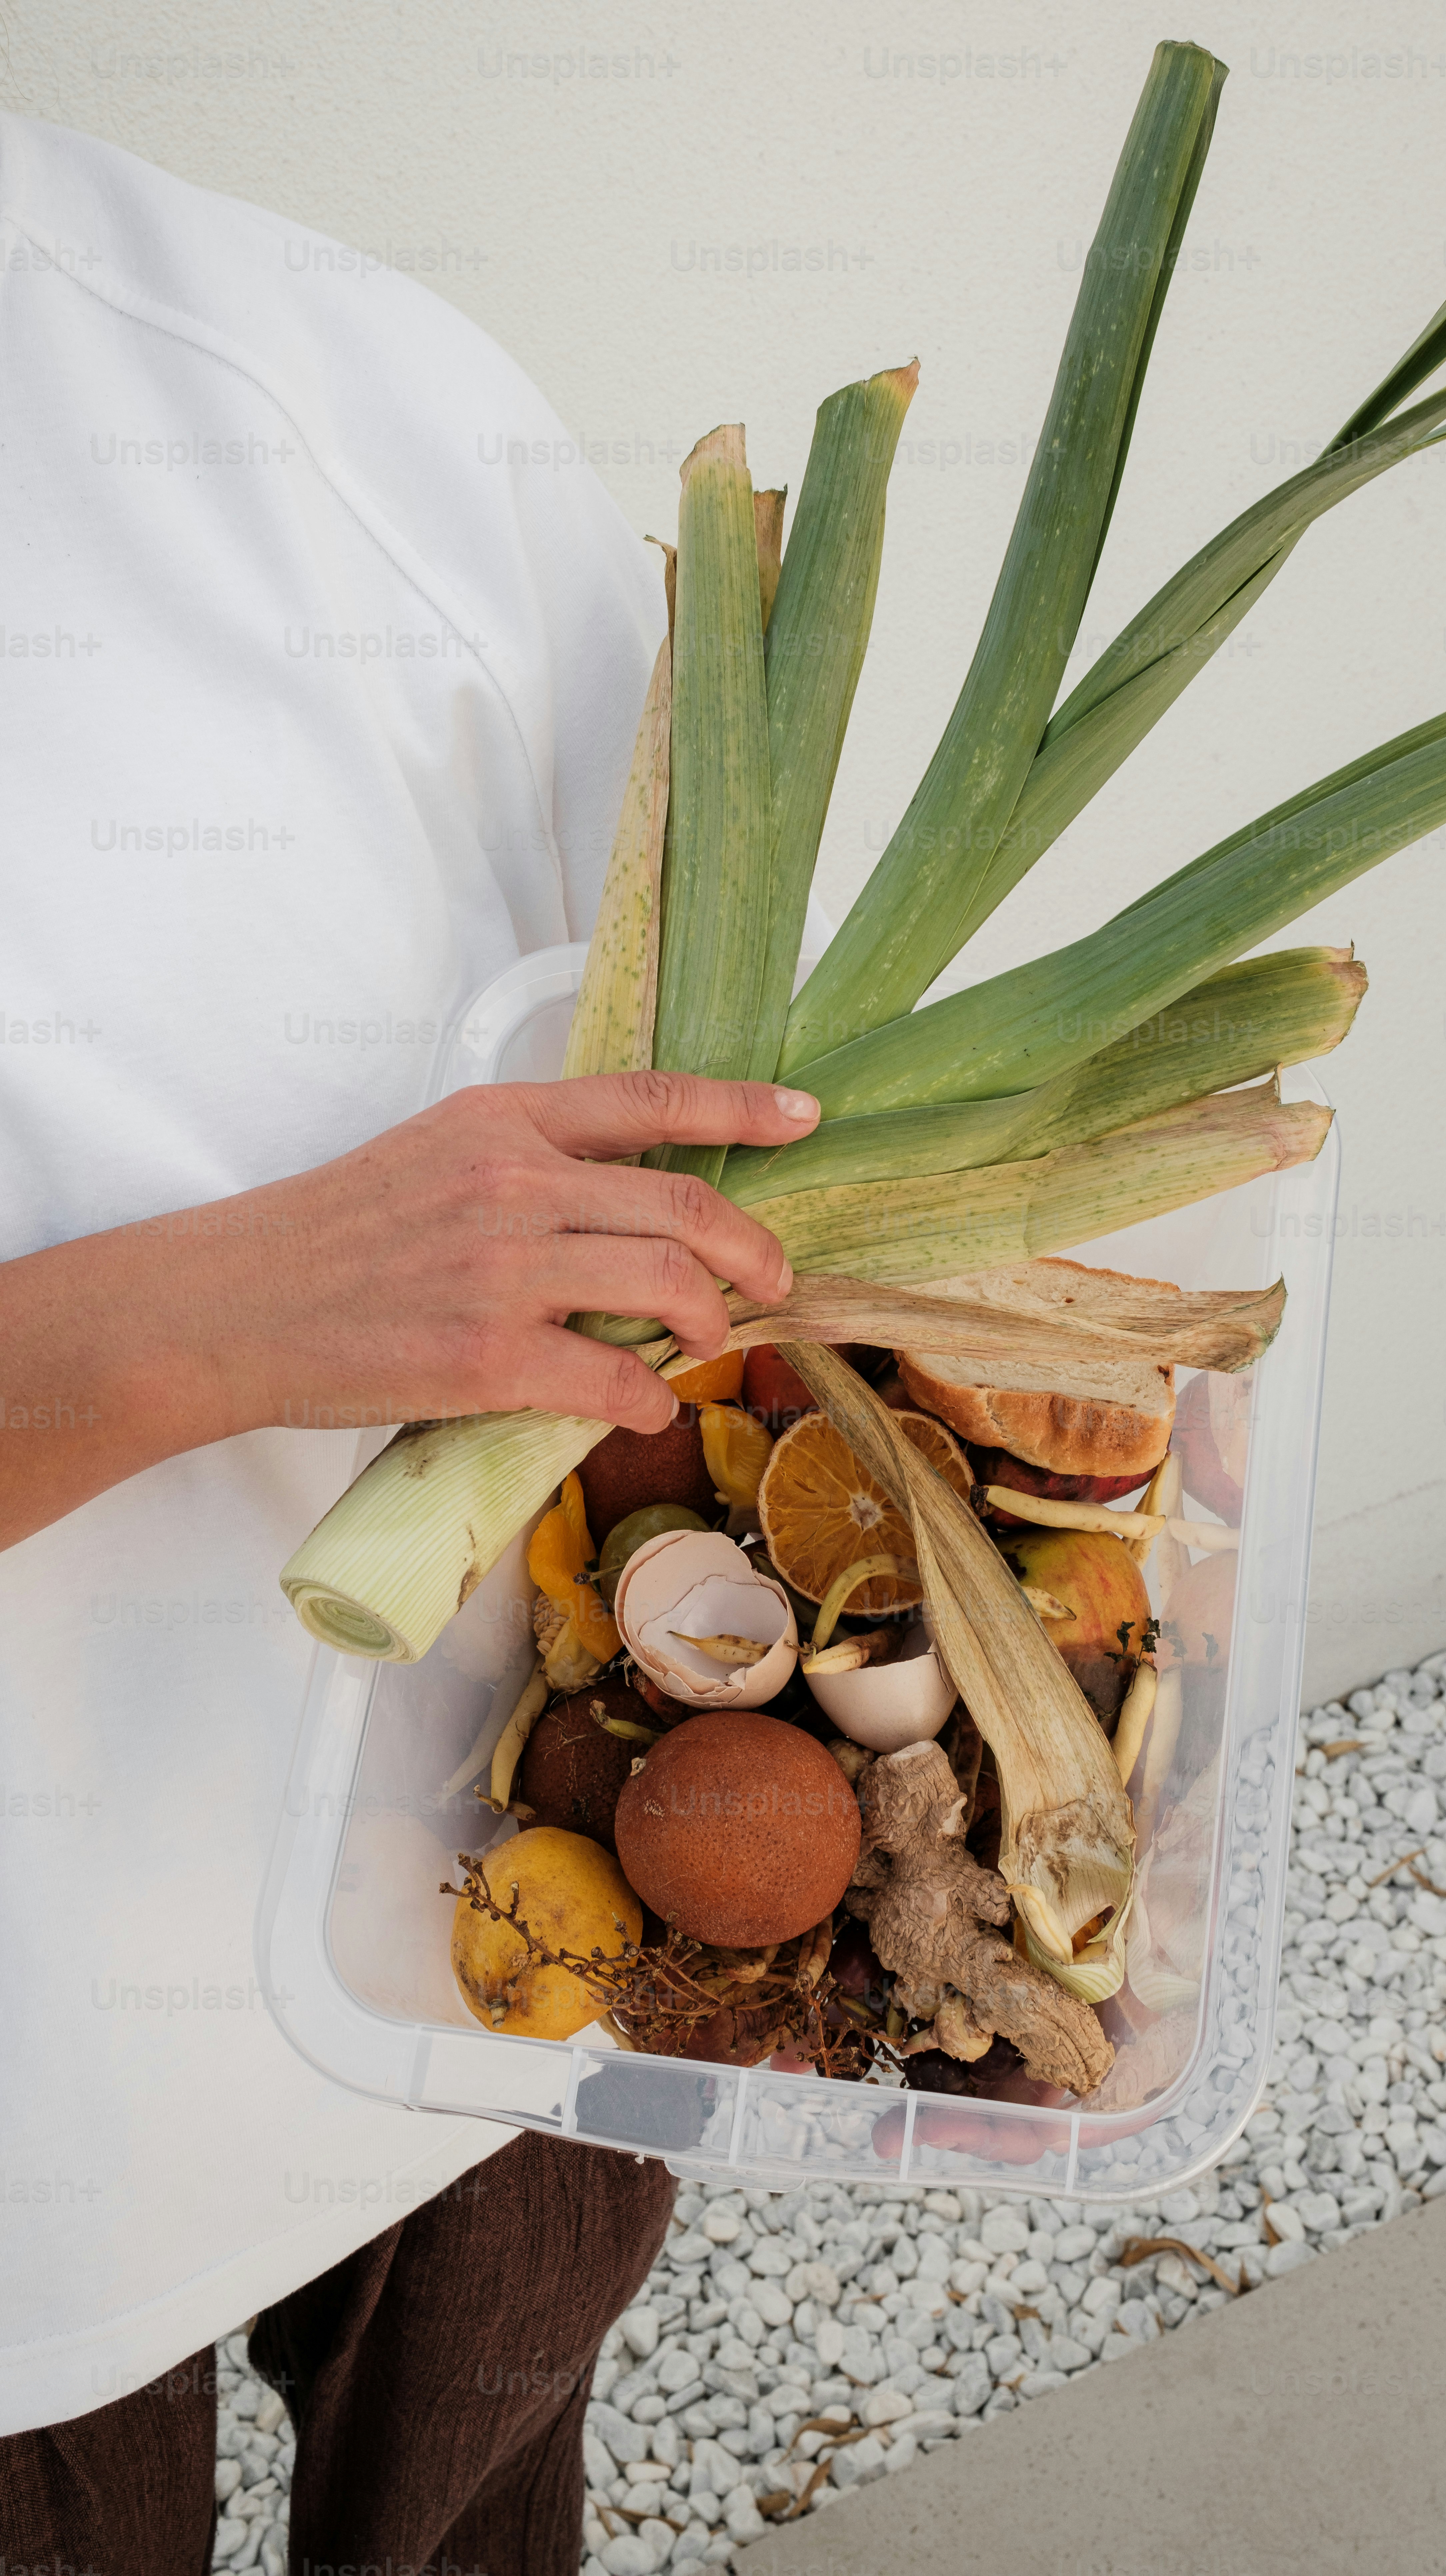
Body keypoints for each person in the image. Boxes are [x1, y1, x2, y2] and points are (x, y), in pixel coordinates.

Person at [0, 110, 814, 2570]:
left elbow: (711, 1127)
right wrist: (187, 1322)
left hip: (497, 1918)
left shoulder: (299, 380)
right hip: (26, 2139)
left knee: (474, 2492)